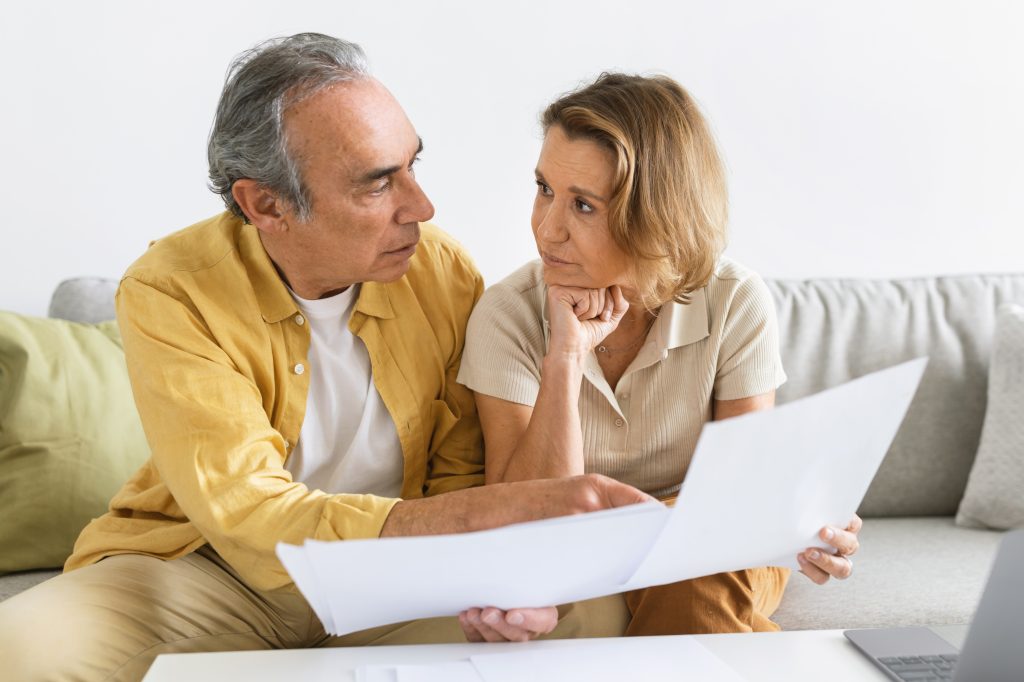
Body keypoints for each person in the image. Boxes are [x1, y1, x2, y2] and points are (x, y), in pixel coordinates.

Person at [0, 35, 650, 681]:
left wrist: (488, 575)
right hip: (214, 573)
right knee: (20, 648)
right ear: (266, 204)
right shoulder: (171, 288)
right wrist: (487, 514)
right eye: (377, 185)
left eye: (412, 167)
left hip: (399, 581)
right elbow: (249, 515)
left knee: (584, 617)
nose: (421, 208)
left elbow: (460, 471)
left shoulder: (442, 269)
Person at [455, 72, 861, 642]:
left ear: (658, 213)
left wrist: (804, 524)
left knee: (693, 574)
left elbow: (742, 491)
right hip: (581, 540)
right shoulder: (508, 315)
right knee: (690, 574)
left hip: (708, 536)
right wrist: (566, 356)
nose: (547, 229)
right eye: (544, 188)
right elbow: (525, 522)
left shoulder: (733, 300)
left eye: (584, 206)